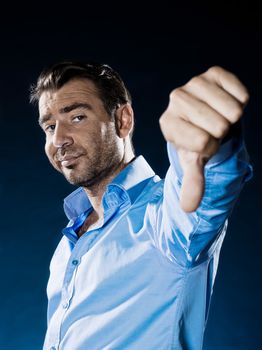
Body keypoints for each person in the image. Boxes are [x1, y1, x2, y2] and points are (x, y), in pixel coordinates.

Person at [30, 61, 252, 350]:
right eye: (49, 126)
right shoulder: (67, 245)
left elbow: (205, 188)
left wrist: (212, 143)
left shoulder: (163, 218)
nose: (59, 139)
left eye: (78, 117)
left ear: (123, 120)